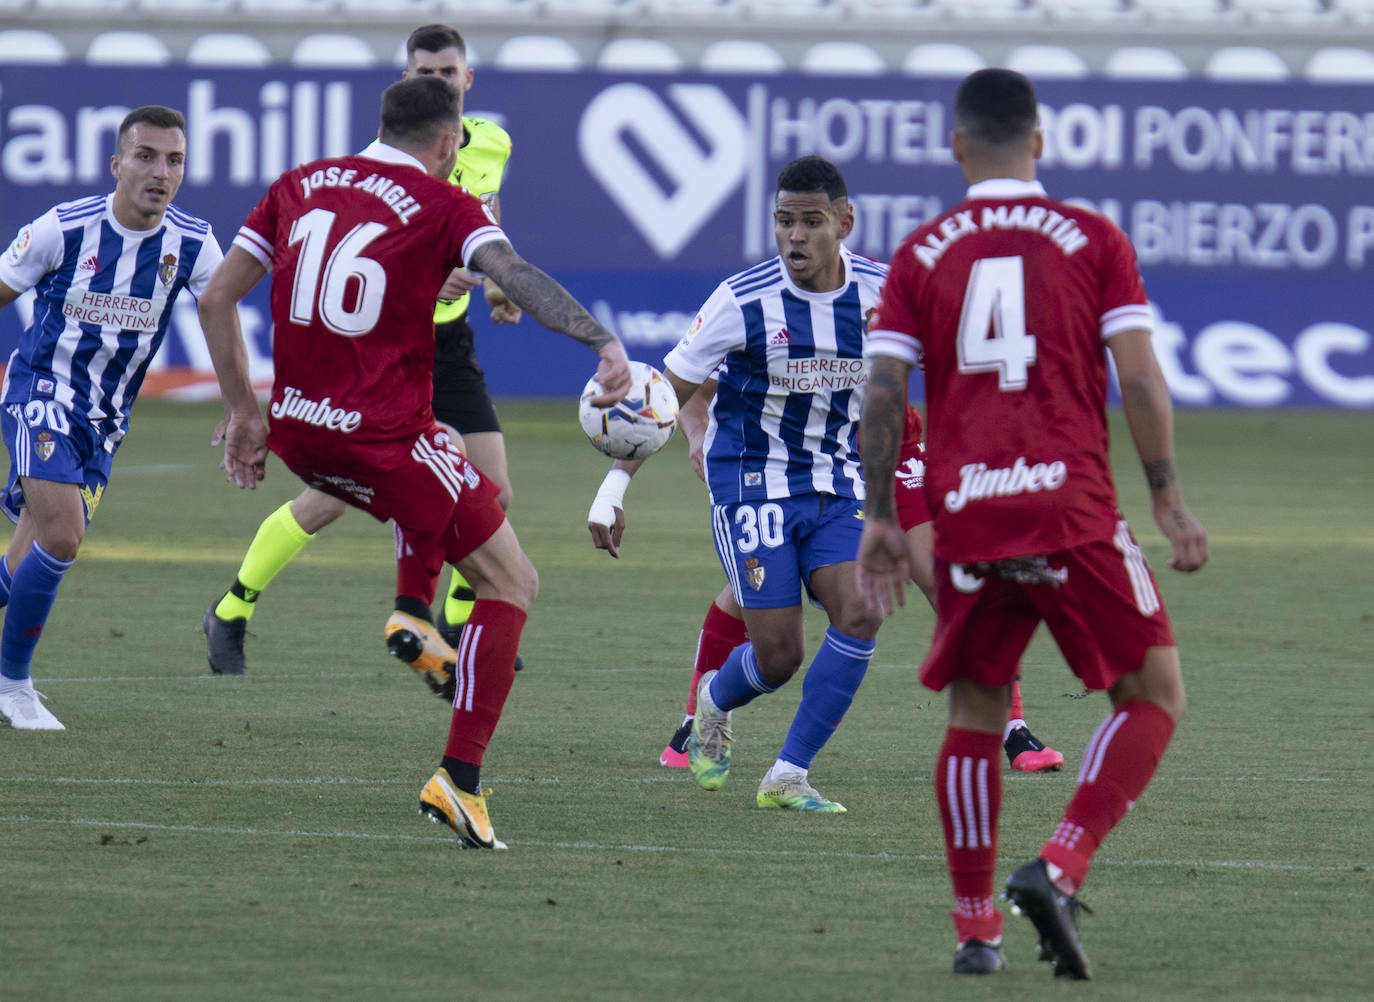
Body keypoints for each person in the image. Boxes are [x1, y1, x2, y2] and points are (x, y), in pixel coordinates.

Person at [198, 75, 630, 848]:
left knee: (447, 449)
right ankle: (457, 779)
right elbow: (516, 275)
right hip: (380, 443)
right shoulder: (445, 204)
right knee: (511, 579)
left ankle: (411, 611)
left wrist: (242, 413)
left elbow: (216, 297)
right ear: (447, 142)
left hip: (301, 434)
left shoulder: (298, 185)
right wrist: (602, 341)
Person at [855, 69, 1207, 978]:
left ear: (957, 145)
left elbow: (884, 392)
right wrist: (1165, 497)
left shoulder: (923, 252)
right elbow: (1136, 377)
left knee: (973, 715)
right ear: (1040, 143)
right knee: (1154, 693)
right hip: (1071, 509)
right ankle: (1059, 864)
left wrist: (883, 516)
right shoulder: (1092, 238)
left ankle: (976, 932)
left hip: (969, 515)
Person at [202, 22, 526, 687]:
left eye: (448, 73)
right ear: (407, 81)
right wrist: (434, 277)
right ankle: (232, 607)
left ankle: (467, 629)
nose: (437, 82)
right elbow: (371, 270)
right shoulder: (378, 161)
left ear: (469, 80)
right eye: (424, 74)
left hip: (450, 343)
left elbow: (488, 222)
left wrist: (495, 284)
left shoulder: (492, 142)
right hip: (383, 348)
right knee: (329, 500)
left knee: (493, 492)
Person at [590, 156, 887, 813]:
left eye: (812, 222)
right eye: (784, 221)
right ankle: (715, 699)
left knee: (862, 609)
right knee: (779, 656)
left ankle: (789, 773)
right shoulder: (743, 299)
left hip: (835, 476)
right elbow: (667, 395)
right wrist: (615, 484)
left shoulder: (884, 293)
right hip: (751, 483)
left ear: (845, 223)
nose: (796, 236)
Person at [594, 400, 1063, 775]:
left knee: (954, 584)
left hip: (893, 450)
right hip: (793, 464)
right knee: (754, 597)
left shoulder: (884, 285)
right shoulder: (757, 303)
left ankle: (1012, 725)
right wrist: (690, 438)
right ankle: (696, 720)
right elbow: (680, 386)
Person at [0, 106, 222, 731]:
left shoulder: (193, 243)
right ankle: (13, 686)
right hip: (40, 392)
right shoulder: (63, 228)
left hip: (105, 422)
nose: (160, 171)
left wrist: (242, 407)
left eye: (174, 159)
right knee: (64, 536)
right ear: (117, 163)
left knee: (19, 572)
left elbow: (223, 311)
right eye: (146, 156)